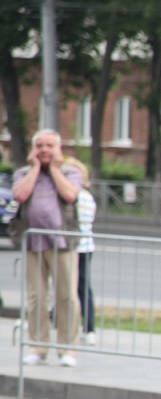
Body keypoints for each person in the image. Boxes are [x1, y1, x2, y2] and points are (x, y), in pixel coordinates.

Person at [12, 129, 82, 367]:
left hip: (63, 243)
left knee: (67, 297)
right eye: (39, 145)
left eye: (49, 146)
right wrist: (34, 169)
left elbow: (70, 195)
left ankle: (67, 349)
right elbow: (20, 195)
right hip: (33, 243)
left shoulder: (70, 173)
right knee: (37, 296)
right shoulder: (23, 173)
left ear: (58, 149)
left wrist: (53, 169)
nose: (44, 150)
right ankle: (38, 347)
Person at [64, 157, 97, 346]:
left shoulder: (79, 196)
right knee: (75, 287)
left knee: (79, 287)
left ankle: (88, 327)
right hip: (81, 246)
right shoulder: (85, 195)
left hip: (78, 247)